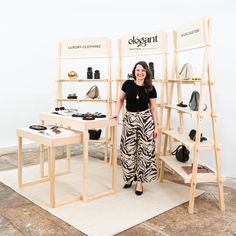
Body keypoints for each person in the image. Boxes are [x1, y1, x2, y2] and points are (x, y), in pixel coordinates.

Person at [112, 61, 159, 196]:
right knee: (128, 150)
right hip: (130, 120)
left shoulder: (151, 88)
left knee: (145, 152)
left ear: (146, 73)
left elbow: (154, 109)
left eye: (143, 70)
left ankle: (140, 181)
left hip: (146, 121)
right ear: (134, 71)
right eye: (138, 70)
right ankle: (129, 177)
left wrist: (156, 127)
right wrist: (116, 113)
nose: (140, 73)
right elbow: (120, 100)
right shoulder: (127, 84)